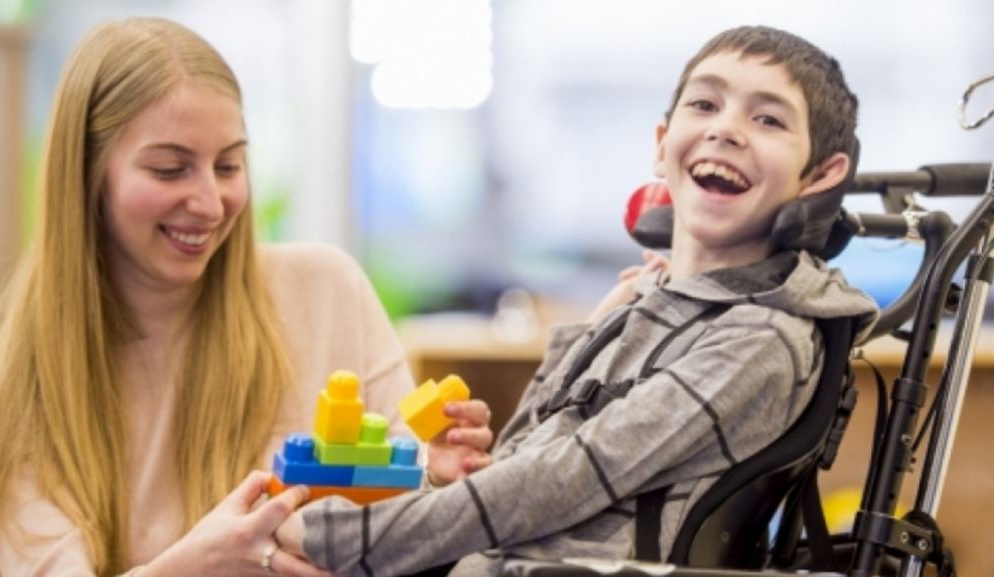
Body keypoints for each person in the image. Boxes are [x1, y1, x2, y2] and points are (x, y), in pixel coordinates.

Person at [275, 25, 881, 576]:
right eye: (705, 103)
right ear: (663, 142)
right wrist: (595, 328)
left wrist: (340, 539)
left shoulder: (762, 337)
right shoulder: (652, 305)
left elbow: (563, 479)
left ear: (820, 176)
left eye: (769, 120)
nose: (726, 128)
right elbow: (516, 459)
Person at [0, 17, 491, 577]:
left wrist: (439, 480)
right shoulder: (12, 401)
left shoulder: (328, 291)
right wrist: (193, 566)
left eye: (228, 166)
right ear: (88, 176)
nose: (211, 204)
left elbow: (401, 523)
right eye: (170, 169)